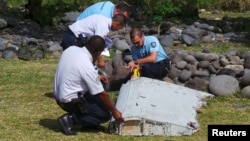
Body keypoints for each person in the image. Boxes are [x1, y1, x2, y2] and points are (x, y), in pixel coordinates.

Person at [54, 35, 124, 135]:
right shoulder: (86, 65)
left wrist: (98, 77)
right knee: (104, 115)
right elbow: (102, 94)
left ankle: (89, 122)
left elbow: (75, 70)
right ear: (99, 53)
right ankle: (70, 119)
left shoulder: (71, 49)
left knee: (101, 83)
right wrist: (114, 111)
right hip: (69, 101)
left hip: (60, 94)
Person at [61, 14, 126, 68]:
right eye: (119, 28)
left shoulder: (102, 18)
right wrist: (100, 61)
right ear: (117, 24)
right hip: (73, 38)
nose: (117, 30)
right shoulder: (104, 27)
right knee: (72, 64)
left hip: (74, 35)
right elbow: (97, 45)